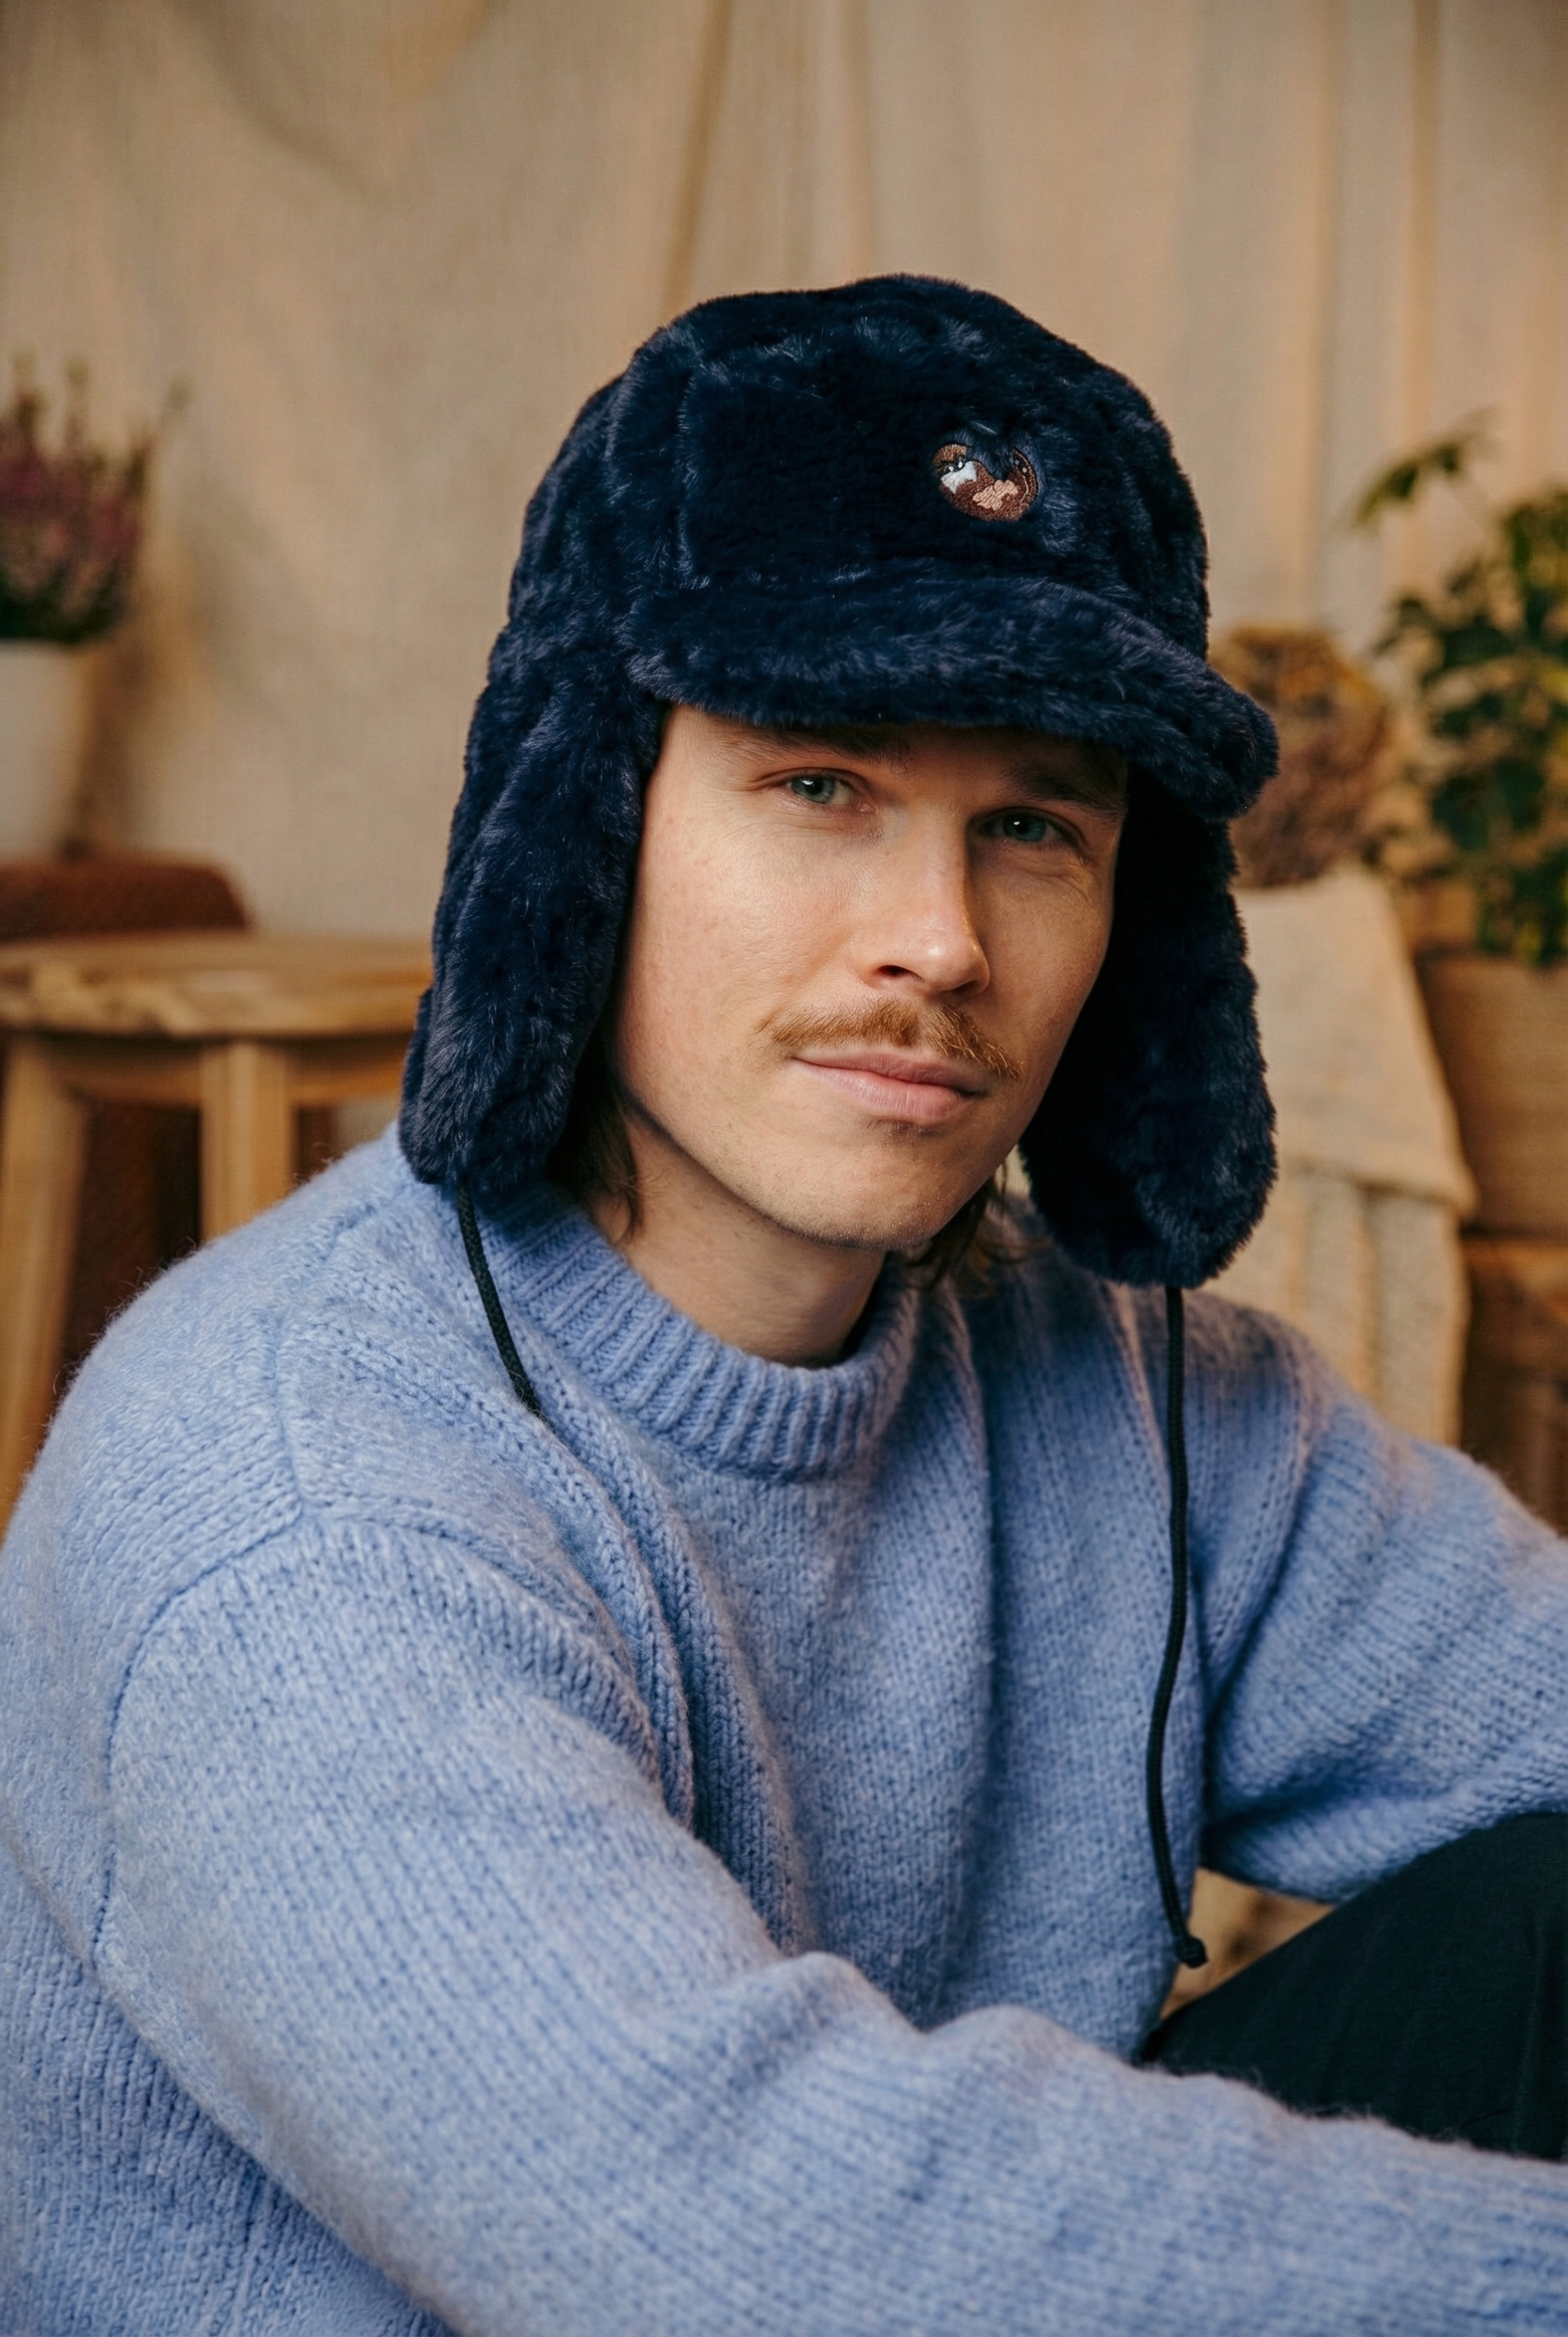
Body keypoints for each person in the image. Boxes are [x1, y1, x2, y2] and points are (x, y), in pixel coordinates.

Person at [1, 276, 1565, 2337]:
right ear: (591, 822)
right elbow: (739, 2238)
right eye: (821, 784)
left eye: (1030, 826)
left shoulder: (1134, 1391)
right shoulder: (282, 1488)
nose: (939, 941)